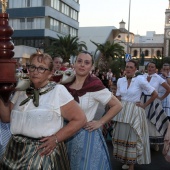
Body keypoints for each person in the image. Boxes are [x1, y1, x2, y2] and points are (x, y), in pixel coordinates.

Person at [0, 52, 86, 169]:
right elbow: (6, 118)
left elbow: (80, 119)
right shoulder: (21, 91)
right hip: (14, 152)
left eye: (41, 68)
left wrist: (56, 138)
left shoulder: (58, 91)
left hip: (42, 154)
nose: (35, 71)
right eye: (32, 67)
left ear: (50, 73)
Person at [64, 51, 122, 170]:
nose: (82, 65)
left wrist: (100, 122)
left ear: (91, 67)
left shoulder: (95, 86)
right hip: (63, 133)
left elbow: (117, 105)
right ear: (74, 64)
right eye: (79, 61)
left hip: (84, 138)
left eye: (86, 62)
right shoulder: (65, 83)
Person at [112, 60, 158, 170]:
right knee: (122, 136)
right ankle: (126, 161)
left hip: (135, 112)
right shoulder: (120, 80)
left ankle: (131, 165)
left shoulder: (140, 80)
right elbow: (118, 97)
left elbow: (154, 93)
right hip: (122, 111)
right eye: (126, 67)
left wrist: (144, 105)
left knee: (133, 137)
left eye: (130, 67)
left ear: (135, 69)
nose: (128, 69)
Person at [141, 61, 170, 151]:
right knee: (144, 121)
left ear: (155, 69)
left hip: (154, 101)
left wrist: (161, 98)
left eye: (152, 67)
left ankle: (156, 142)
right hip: (143, 99)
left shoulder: (158, 78)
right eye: (149, 67)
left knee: (154, 121)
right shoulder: (143, 77)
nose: (150, 68)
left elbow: (168, 89)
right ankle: (144, 141)